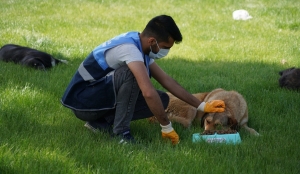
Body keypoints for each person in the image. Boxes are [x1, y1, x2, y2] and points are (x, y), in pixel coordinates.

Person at [61, 15, 225, 145]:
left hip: (95, 98)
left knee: (162, 99)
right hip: (83, 102)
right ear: (152, 41)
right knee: (133, 76)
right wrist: (166, 125)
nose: (166, 51)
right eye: (166, 47)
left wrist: (202, 105)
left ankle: (99, 123)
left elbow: (167, 81)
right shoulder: (130, 49)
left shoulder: (141, 44)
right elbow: (147, 92)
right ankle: (122, 135)